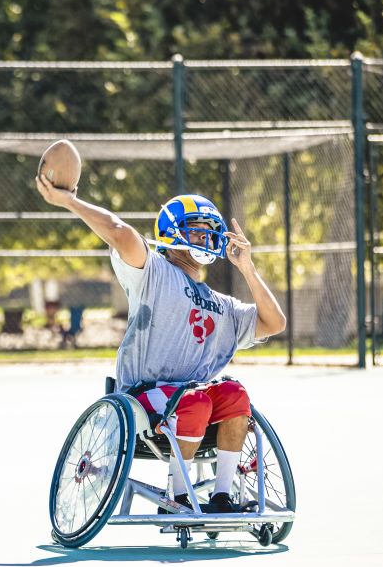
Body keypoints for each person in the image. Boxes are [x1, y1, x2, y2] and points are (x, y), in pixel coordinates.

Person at [35, 160, 286, 514]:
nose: (205, 239)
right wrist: (71, 201)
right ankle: (178, 498)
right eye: (196, 231)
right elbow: (119, 231)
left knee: (234, 393)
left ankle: (222, 496)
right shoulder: (154, 271)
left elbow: (274, 323)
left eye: (209, 232)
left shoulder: (221, 305)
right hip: (145, 397)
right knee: (195, 400)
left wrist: (247, 267)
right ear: (172, 233)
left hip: (194, 400)